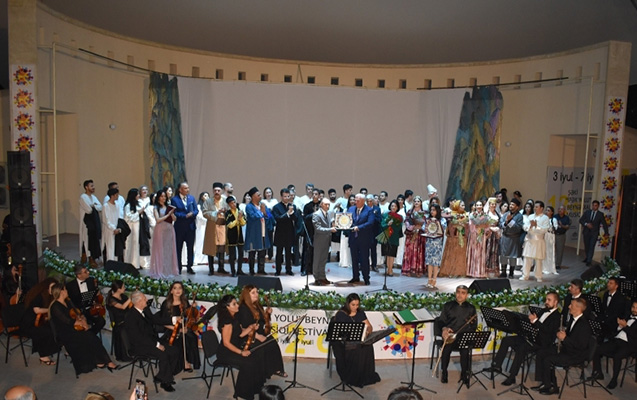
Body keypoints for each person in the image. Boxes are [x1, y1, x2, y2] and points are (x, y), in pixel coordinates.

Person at [484, 292, 561, 386]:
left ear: (555, 302)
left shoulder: (557, 316)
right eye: (546, 299)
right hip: (532, 337)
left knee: (522, 348)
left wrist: (535, 321)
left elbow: (548, 331)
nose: (546, 302)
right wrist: (529, 320)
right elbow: (535, 324)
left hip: (542, 343)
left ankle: (512, 376)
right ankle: (497, 366)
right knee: (506, 340)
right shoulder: (543, 311)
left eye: (549, 300)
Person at [48, 283, 117, 376]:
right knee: (90, 337)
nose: (67, 291)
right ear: (61, 292)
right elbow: (68, 321)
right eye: (65, 289)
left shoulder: (68, 302)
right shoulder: (55, 307)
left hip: (74, 328)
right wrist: (83, 324)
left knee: (91, 337)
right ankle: (106, 361)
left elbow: (79, 314)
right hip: (66, 332)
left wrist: (84, 320)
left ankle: (101, 361)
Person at [533, 298, 593, 395]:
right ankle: (544, 382)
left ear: (578, 308)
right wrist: (562, 334)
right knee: (541, 353)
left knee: (548, 360)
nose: (569, 306)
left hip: (575, 355)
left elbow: (580, 346)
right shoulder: (573, 319)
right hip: (567, 348)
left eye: (571, 305)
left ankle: (552, 387)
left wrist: (565, 338)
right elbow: (570, 336)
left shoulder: (584, 325)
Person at [125, 290, 180, 392]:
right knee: (163, 354)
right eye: (144, 298)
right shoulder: (131, 317)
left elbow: (155, 320)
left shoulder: (145, 309)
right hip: (140, 346)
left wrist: (173, 320)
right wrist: (157, 345)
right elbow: (139, 337)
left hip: (151, 340)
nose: (146, 300)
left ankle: (162, 376)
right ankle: (166, 382)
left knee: (175, 351)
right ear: (138, 302)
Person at [216, 294, 267, 400]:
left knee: (256, 357)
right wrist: (241, 352)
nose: (237, 305)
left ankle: (255, 388)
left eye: (236, 303)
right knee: (249, 363)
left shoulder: (234, 317)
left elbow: (240, 334)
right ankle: (242, 394)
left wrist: (250, 327)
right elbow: (226, 343)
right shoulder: (227, 322)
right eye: (234, 304)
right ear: (227, 307)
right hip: (226, 353)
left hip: (234, 348)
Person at [332, 293, 381, 387]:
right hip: (345, 341)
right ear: (348, 304)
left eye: (357, 305)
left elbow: (369, 326)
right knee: (357, 348)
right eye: (353, 305)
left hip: (358, 339)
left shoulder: (360, 313)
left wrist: (368, 331)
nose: (355, 307)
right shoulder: (341, 314)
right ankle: (354, 376)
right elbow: (340, 332)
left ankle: (365, 375)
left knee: (368, 345)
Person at [238, 285, 286, 378]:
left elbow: (262, 320)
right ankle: (264, 373)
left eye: (257, 292)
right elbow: (244, 327)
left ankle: (276, 369)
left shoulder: (257, 305)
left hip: (259, 332)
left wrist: (267, 314)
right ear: (247, 295)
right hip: (249, 336)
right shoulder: (243, 308)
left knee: (272, 343)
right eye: (253, 293)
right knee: (264, 347)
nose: (256, 294)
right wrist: (258, 336)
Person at [591, 299, 637, 389]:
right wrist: (619, 326)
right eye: (633, 307)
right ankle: (598, 372)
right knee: (596, 349)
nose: (634, 309)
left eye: (636, 308)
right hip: (617, 340)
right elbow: (618, 330)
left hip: (629, 344)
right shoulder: (627, 316)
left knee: (617, 356)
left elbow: (634, 335)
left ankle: (614, 380)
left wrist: (625, 326)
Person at [436, 285, 477, 385]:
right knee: (446, 349)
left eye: (463, 293)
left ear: (467, 295)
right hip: (450, 336)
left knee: (465, 351)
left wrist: (468, 334)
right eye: (458, 292)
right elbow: (441, 321)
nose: (460, 295)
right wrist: (444, 329)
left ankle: (464, 374)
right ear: (455, 293)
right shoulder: (448, 306)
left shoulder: (471, 308)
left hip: (463, 336)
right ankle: (444, 372)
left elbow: (474, 326)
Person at [159, 282, 199, 371]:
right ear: (171, 291)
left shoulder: (184, 302)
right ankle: (184, 362)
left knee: (192, 337)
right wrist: (179, 330)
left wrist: (192, 308)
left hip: (184, 327)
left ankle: (188, 360)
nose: (177, 290)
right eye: (175, 288)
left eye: (180, 288)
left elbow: (188, 316)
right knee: (180, 340)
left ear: (182, 290)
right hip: (171, 330)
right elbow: (163, 322)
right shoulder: (166, 304)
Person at [20, 277, 61, 365]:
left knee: (54, 328)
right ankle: (43, 356)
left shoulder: (50, 296)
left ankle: (53, 349)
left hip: (39, 321)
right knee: (45, 332)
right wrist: (51, 309)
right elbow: (37, 310)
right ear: (46, 287)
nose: (53, 289)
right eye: (51, 287)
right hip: (29, 323)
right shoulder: (40, 295)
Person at [65, 264, 106, 335]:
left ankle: (91, 335)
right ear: (79, 275)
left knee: (101, 321)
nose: (88, 272)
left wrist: (96, 297)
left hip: (90, 309)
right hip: (78, 312)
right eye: (85, 272)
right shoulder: (70, 286)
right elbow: (70, 301)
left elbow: (94, 294)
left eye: (87, 270)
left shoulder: (91, 281)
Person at [148, 189, 178, 278]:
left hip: (169, 229)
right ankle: (160, 270)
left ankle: (168, 270)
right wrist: (168, 215)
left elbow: (175, 219)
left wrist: (172, 214)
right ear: (158, 197)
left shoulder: (168, 206)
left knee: (168, 250)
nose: (163, 198)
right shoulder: (156, 208)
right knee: (160, 250)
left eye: (164, 196)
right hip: (160, 230)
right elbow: (158, 220)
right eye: (161, 196)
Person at [348, 193, 374, 285]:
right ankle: (355, 276)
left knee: (364, 259)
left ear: (363, 201)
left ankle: (366, 277)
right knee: (354, 259)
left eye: (358, 201)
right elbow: (347, 220)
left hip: (364, 239)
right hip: (353, 238)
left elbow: (370, 223)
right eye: (355, 200)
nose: (355, 202)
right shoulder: (351, 209)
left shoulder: (369, 210)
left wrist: (359, 227)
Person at [271, 188, 299, 276]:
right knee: (279, 253)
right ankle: (278, 270)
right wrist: (287, 214)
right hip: (280, 232)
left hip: (289, 232)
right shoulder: (276, 207)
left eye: (288, 196)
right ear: (281, 197)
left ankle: (288, 269)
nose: (287, 198)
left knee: (288, 252)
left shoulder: (293, 206)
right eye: (285, 196)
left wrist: (292, 213)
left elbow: (296, 219)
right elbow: (278, 219)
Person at [520, 201, 550, 282]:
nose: (535, 208)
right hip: (529, 240)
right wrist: (530, 226)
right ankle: (525, 275)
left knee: (538, 259)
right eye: (535, 207)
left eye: (537, 207)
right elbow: (524, 227)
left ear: (541, 208)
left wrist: (536, 226)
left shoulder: (545, 218)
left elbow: (544, 230)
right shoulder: (530, 216)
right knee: (527, 258)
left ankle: (538, 276)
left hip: (539, 240)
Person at [203, 182, 229, 275]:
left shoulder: (225, 200)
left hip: (222, 227)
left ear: (221, 191)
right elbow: (205, 213)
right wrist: (216, 213)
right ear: (213, 191)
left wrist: (225, 212)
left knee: (222, 247)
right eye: (215, 190)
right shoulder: (208, 201)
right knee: (211, 248)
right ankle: (211, 269)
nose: (217, 192)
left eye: (218, 190)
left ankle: (221, 268)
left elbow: (230, 211)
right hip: (212, 227)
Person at [245, 187, 272, 275]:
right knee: (252, 253)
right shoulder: (249, 207)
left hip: (263, 232)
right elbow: (253, 217)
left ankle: (261, 269)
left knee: (262, 252)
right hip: (253, 233)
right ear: (253, 197)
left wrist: (265, 213)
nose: (260, 196)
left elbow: (269, 217)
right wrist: (261, 212)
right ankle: (251, 270)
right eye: (258, 195)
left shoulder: (263, 205)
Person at [173, 182, 198, 275]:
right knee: (178, 248)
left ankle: (189, 266)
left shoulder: (191, 198)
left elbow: (196, 210)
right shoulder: (174, 199)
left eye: (188, 188)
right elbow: (174, 212)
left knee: (190, 248)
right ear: (180, 190)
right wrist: (184, 216)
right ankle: (178, 267)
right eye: (185, 188)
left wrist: (192, 213)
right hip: (180, 227)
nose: (187, 190)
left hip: (190, 227)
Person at [439, 200, 469, 278]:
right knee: (452, 254)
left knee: (461, 255)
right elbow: (450, 225)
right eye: (462, 205)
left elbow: (467, 226)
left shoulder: (466, 215)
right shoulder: (451, 214)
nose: (463, 207)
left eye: (464, 205)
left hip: (462, 237)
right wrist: (456, 225)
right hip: (453, 237)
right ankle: (450, 271)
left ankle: (460, 272)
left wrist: (464, 226)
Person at [124, 188, 151, 269]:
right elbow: (128, 218)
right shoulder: (128, 206)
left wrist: (141, 213)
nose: (139, 196)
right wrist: (138, 213)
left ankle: (135, 264)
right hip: (130, 228)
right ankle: (127, 263)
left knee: (136, 245)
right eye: (137, 194)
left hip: (138, 228)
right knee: (129, 245)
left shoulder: (138, 204)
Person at [106, 279, 132, 362]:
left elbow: (129, 307)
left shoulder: (123, 296)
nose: (125, 288)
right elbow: (123, 307)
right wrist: (131, 298)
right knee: (125, 329)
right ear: (118, 289)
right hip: (119, 322)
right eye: (123, 287)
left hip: (127, 319)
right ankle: (125, 355)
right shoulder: (111, 300)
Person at [312, 198, 337, 285]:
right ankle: (316, 278)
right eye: (326, 204)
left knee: (323, 260)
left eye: (329, 204)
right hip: (319, 241)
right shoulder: (316, 214)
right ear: (321, 204)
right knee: (317, 260)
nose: (328, 206)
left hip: (326, 240)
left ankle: (322, 277)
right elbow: (318, 229)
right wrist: (330, 229)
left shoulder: (328, 214)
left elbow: (329, 224)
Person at [377, 200, 403, 277]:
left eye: (395, 206)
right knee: (387, 254)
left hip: (394, 237)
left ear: (397, 208)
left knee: (392, 254)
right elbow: (382, 225)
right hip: (386, 236)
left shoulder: (399, 217)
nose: (393, 207)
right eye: (392, 206)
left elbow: (399, 227)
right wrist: (387, 224)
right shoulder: (385, 215)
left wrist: (393, 225)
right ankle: (388, 268)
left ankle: (390, 269)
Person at [79, 179, 102, 267]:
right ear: (86, 187)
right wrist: (94, 206)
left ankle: (92, 256)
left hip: (94, 222)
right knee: (87, 240)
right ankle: (89, 257)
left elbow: (100, 207)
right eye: (91, 186)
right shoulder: (83, 197)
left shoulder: (94, 197)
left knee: (94, 239)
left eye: (93, 186)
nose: (93, 187)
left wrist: (93, 205)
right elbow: (88, 210)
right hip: (87, 223)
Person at [498, 198, 524, 278]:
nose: (511, 206)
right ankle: (503, 272)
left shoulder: (519, 216)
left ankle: (511, 272)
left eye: (513, 205)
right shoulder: (506, 214)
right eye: (510, 204)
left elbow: (518, 227)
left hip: (514, 238)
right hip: (505, 237)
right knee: (503, 255)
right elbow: (500, 224)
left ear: (517, 207)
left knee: (513, 256)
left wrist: (510, 221)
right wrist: (506, 222)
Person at [402, 196, 426, 277]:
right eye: (415, 201)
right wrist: (412, 227)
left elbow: (426, 222)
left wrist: (420, 227)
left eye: (418, 201)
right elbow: (406, 221)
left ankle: (418, 270)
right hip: (411, 234)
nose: (416, 203)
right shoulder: (410, 212)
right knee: (409, 251)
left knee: (419, 252)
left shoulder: (424, 213)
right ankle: (408, 269)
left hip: (419, 235)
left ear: (421, 203)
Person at [424, 204, 446, 289]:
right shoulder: (428, 219)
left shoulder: (442, 220)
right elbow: (424, 228)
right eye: (431, 210)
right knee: (429, 261)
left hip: (437, 242)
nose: (432, 212)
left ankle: (434, 279)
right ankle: (429, 279)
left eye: (434, 210)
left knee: (435, 261)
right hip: (429, 241)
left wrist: (437, 222)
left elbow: (443, 228)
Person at [579, 200, 608, 265]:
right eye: (593, 205)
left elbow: (604, 224)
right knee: (587, 246)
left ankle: (589, 260)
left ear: (598, 206)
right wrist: (586, 224)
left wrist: (606, 233)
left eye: (595, 206)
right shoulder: (587, 212)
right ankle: (587, 257)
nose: (594, 207)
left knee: (591, 246)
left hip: (594, 233)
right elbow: (581, 220)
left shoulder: (600, 214)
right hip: (586, 232)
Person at [466, 200, 489, 278]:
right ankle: (472, 271)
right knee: (473, 253)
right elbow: (470, 225)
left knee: (481, 253)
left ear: (482, 206)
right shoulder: (472, 215)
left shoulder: (485, 215)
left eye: (480, 205)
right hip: (474, 235)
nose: (479, 207)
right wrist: (476, 228)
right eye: (477, 205)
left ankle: (480, 272)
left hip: (481, 235)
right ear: (475, 206)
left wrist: (483, 228)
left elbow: (487, 226)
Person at [226, 196, 247, 276]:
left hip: (240, 235)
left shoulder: (240, 211)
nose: (234, 204)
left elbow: (244, 223)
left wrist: (241, 218)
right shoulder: (228, 213)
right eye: (231, 203)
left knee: (241, 254)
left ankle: (239, 270)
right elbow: (229, 225)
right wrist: (237, 220)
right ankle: (233, 271)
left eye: (234, 202)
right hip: (231, 235)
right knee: (232, 255)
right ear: (229, 204)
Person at [102, 187, 123, 262]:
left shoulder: (117, 205)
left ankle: (116, 264)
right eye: (116, 195)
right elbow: (106, 220)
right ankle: (110, 264)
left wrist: (119, 228)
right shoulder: (106, 206)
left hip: (117, 229)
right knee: (110, 248)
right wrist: (113, 228)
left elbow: (119, 216)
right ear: (112, 196)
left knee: (116, 249)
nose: (118, 196)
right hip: (109, 230)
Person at [484, 197, 501, 275]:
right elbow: (483, 224)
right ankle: (486, 269)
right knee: (487, 250)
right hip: (488, 234)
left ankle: (494, 269)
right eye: (492, 204)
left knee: (495, 251)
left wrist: (497, 228)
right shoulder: (486, 213)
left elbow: (499, 223)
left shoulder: (497, 214)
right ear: (489, 204)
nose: (493, 206)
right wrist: (490, 228)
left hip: (495, 235)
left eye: (495, 204)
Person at [192, 191, 209, 265]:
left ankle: (205, 260)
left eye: (207, 196)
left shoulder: (209, 206)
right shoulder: (198, 206)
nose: (207, 197)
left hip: (207, 226)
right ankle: (197, 259)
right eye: (205, 195)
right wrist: (208, 219)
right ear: (202, 197)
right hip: (200, 227)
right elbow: (199, 216)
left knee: (206, 243)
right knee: (199, 243)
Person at [543, 205, 559, 275]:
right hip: (545, 235)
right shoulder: (543, 219)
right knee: (544, 251)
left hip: (551, 235)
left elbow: (556, 228)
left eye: (548, 211)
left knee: (551, 251)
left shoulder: (553, 219)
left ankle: (551, 268)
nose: (547, 212)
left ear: (552, 212)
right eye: (546, 210)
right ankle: (544, 267)